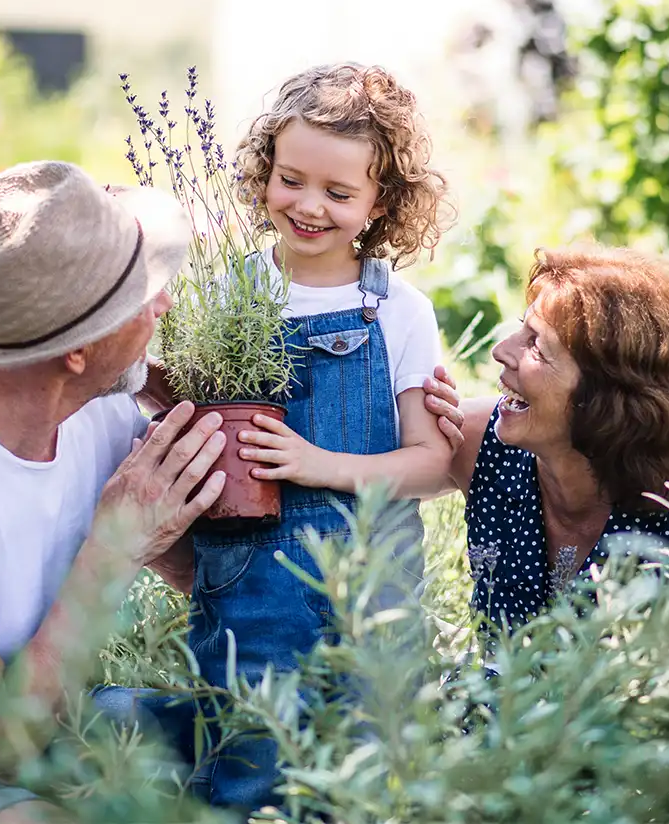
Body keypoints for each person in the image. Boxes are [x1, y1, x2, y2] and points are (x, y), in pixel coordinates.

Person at [0, 161, 229, 824]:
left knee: (250, 740)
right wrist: (113, 548)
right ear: (78, 353)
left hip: (61, 723)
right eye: (142, 298)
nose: (165, 305)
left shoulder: (97, 403)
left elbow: (192, 564)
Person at [177, 63, 454, 808]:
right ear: (265, 168)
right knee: (251, 766)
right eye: (291, 179)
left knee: (366, 776)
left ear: (380, 201)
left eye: (339, 193)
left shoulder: (398, 311)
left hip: (372, 589)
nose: (308, 206)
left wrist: (317, 463)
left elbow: (431, 464)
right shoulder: (227, 291)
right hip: (250, 582)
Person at [422, 245, 669, 630]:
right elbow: (355, 495)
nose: (501, 351)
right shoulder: (481, 440)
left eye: (536, 345)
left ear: (609, 398)